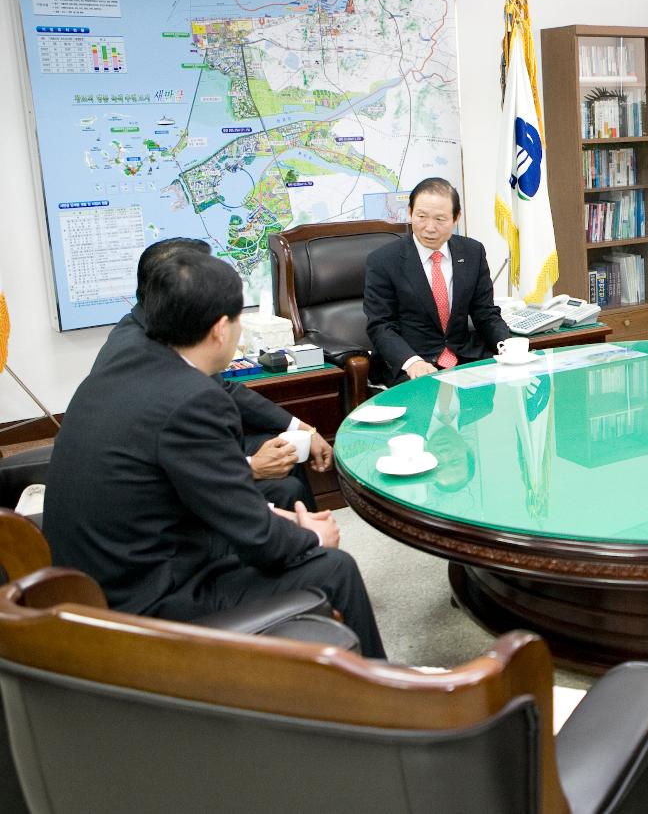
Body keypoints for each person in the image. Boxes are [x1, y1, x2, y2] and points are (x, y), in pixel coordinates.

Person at [44, 251, 385, 658]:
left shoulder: (131, 359)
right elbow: (258, 540)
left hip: (98, 572)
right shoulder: (193, 402)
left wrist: (285, 521)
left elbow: (211, 498)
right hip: (141, 601)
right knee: (333, 568)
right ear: (221, 329)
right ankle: (385, 706)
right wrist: (311, 534)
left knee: (281, 507)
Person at [94, 236, 331, 511]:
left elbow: (223, 388)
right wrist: (252, 467)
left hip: (180, 463)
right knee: (285, 488)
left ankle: (309, 542)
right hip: (155, 496)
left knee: (281, 448)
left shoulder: (158, 329)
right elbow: (173, 460)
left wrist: (299, 427)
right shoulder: (141, 355)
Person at [365, 177, 510, 384]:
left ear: (456, 217)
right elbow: (381, 325)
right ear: (409, 212)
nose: (429, 227)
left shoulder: (472, 252)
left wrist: (507, 345)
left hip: (465, 359)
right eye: (421, 216)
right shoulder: (383, 260)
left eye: (440, 219)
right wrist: (412, 362)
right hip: (412, 363)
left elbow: (485, 313)